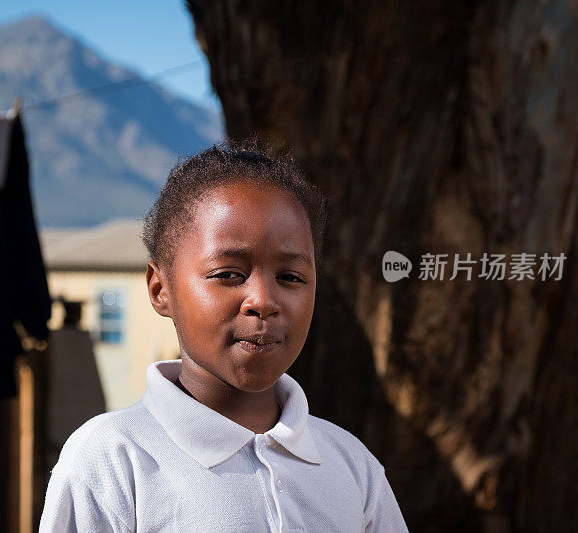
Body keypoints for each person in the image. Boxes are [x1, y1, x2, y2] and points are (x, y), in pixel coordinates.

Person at [39, 144, 408, 532]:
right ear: (160, 289)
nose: (263, 301)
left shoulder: (350, 466)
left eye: (291, 278)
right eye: (228, 274)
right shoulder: (114, 459)